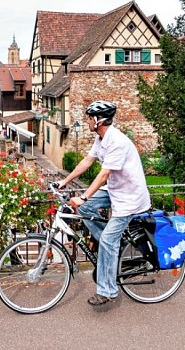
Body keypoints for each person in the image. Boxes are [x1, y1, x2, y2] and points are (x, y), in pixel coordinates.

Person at [57, 100, 151, 306]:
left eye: (90, 118)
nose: (87, 121)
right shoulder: (101, 139)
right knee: (85, 208)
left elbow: (104, 174)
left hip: (129, 197)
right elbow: (87, 161)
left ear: (98, 120)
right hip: (115, 190)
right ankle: (113, 245)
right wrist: (64, 182)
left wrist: (83, 196)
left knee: (106, 239)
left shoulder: (117, 141)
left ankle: (107, 290)